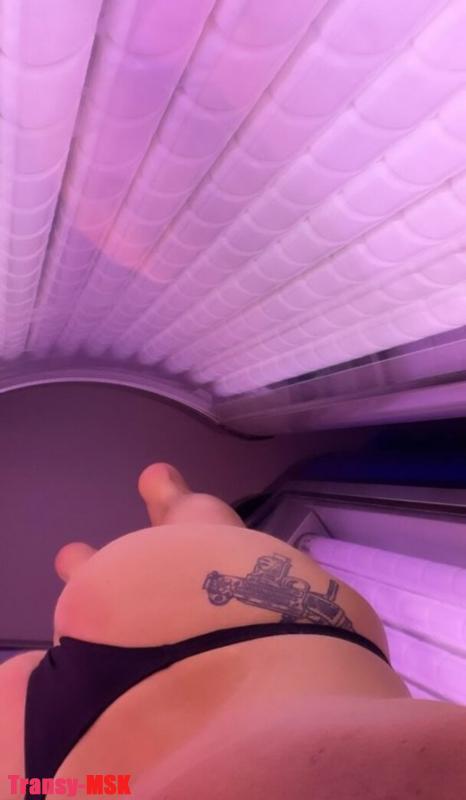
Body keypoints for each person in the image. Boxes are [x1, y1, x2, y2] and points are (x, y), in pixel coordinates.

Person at [1, 462, 465, 799]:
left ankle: (143, 520)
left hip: (236, 635)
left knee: (185, 520)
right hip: (54, 776)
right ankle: (86, 569)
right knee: (110, 572)